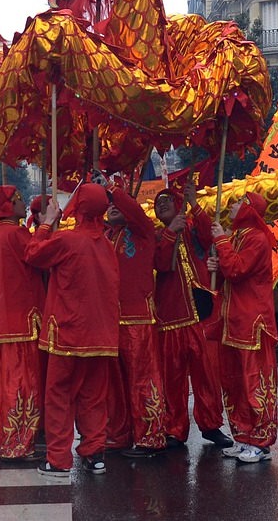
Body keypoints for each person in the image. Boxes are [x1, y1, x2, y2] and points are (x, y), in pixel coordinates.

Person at [25, 184, 120, 477]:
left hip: (68, 333)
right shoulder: (106, 244)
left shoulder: (68, 240)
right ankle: (94, 454)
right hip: (101, 336)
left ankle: (58, 459)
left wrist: (45, 224)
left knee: (59, 396)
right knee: (93, 396)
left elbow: (33, 254)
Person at [152, 185, 232, 449]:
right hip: (171, 315)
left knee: (206, 375)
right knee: (172, 377)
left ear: (179, 205)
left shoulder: (193, 229)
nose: (161, 204)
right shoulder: (157, 235)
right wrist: (170, 232)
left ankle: (211, 425)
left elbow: (211, 238)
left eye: (167, 201)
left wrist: (194, 205)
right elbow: (162, 264)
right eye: (157, 203)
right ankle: (174, 429)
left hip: (200, 313)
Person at [207, 192, 278, 463]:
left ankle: (260, 442)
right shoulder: (236, 236)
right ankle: (243, 435)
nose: (232, 206)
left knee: (254, 381)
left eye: (238, 202)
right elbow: (229, 271)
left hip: (252, 321)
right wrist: (217, 263)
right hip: (233, 321)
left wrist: (222, 242)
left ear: (250, 209)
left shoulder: (257, 238)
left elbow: (237, 270)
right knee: (234, 382)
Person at [103, 184, 167, 457]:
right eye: (108, 203)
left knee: (142, 379)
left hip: (139, 318)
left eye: (118, 202)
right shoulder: (105, 235)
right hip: (109, 320)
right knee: (114, 383)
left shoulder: (142, 230)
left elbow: (132, 210)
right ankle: (118, 435)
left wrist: (112, 190)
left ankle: (149, 438)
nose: (113, 206)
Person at [0, 185, 46, 460]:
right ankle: (18, 443)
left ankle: (5, 440)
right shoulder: (16, 233)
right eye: (18, 199)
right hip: (22, 320)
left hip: (5, 321)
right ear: (9, 206)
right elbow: (40, 255)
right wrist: (46, 227)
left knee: (7, 382)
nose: (23, 204)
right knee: (23, 383)